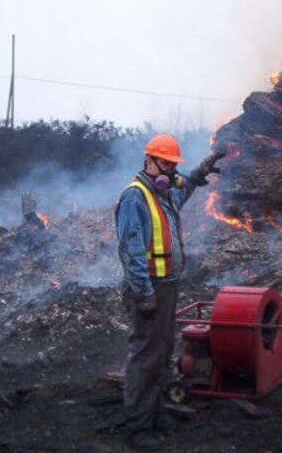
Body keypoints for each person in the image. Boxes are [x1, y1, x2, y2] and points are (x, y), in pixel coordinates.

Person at [114, 133, 223, 451]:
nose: (171, 172)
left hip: (167, 285)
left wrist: (200, 172)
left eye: (174, 166)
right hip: (150, 289)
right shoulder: (135, 198)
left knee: (163, 353)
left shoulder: (162, 195)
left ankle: (156, 410)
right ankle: (138, 425)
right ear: (148, 160)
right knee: (146, 356)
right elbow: (131, 250)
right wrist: (142, 293)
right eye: (165, 164)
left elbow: (184, 190)